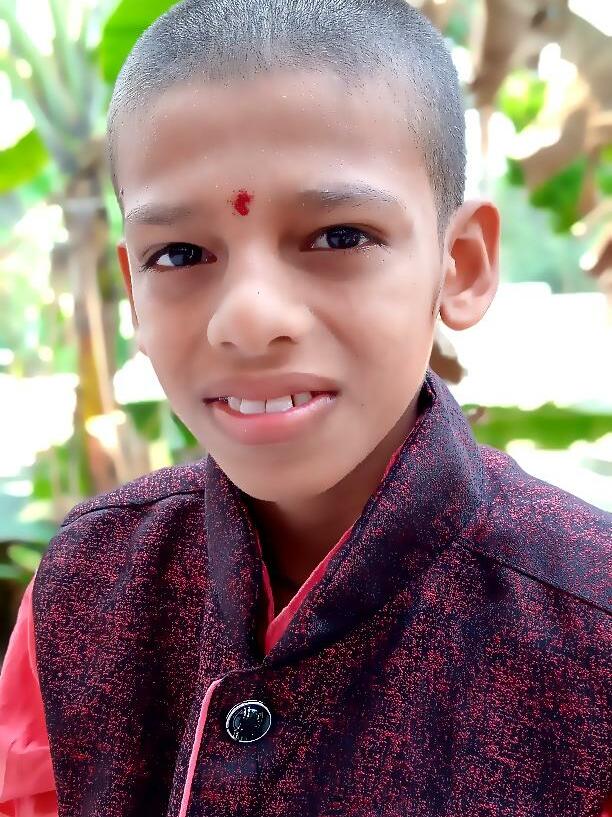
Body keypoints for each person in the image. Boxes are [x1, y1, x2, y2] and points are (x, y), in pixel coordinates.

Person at [1, 0, 611, 815]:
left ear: (460, 265)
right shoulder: (83, 585)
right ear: (133, 292)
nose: (248, 319)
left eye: (338, 237)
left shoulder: (590, 626)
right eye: (179, 253)